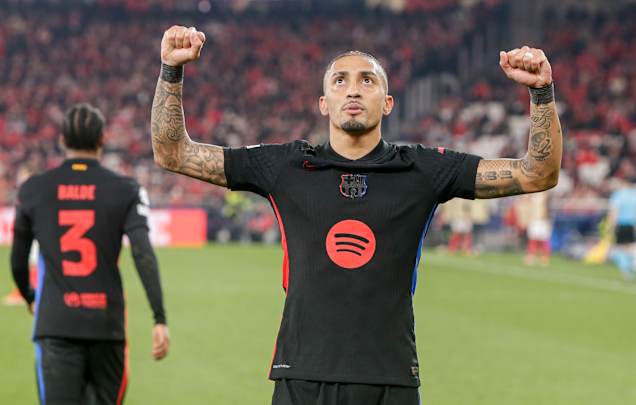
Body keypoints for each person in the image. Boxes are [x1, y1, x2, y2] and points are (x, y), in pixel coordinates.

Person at [150, 25, 562, 404]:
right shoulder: (285, 166)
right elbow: (173, 153)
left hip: (390, 381)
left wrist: (541, 93)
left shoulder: (423, 169)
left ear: (387, 103)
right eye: (339, 80)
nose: (352, 90)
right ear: (323, 103)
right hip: (301, 378)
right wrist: (171, 69)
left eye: (367, 80)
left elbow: (538, 173)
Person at [10, 103, 170, 405]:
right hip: (106, 325)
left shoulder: (33, 189)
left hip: (55, 325)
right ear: (103, 139)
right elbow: (143, 254)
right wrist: (159, 317)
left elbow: (18, 261)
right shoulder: (126, 189)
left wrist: (30, 296)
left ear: (62, 140)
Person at [607, 179, 636, 281]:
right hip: (633, 224)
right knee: (629, 247)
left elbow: (614, 211)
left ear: (623, 184)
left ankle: (625, 270)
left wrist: (612, 225)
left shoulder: (618, 195)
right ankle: (629, 269)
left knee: (619, 247)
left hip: (621, 223)